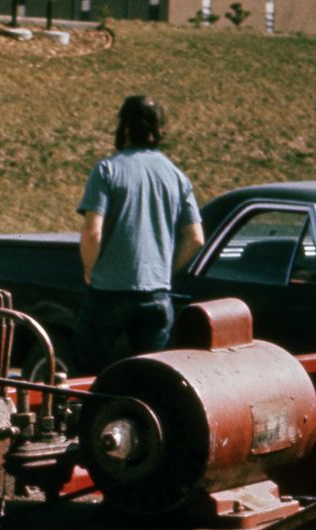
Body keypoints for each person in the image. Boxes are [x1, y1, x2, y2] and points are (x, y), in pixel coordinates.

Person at [77, 95, 205, 371]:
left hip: (108, 292)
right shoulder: (176, 176)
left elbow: (92, 233)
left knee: (89, 375)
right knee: (150, 378)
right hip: (157, 295)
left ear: (124, 127)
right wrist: (164, 272)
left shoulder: (107, 170)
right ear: (160, 129)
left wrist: (90, 270)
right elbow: (196, 238)